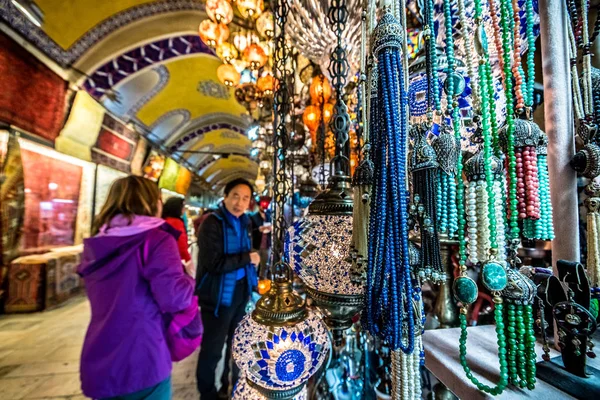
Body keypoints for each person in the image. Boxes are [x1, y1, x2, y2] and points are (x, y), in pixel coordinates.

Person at [78, 176, 196, 400]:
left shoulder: (97, 242)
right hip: (143, 357)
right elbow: (175, 298)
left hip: (100, 356)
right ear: (154, 203)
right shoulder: (157, 239)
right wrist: (189, 279)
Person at [195, 178, 260, 400]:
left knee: (237, 344)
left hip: (241, 292)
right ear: (225, 196)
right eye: (235, 196)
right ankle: (208, 393)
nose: (239, 202)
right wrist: (247, 258)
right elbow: (214, 264)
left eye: (245, 198)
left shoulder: (245, 222)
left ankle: (229, 385)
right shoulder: (211, 223)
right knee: (213, 349)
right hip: (218, 297)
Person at [162, 197, 192, 263]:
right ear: (177, 208)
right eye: (183, 206)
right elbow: (182, 247)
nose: (184, 209)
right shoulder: (177, 224)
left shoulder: (163, 221)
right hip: (174, 261)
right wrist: (188, 260)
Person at [249, 196, 272, 278]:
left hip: (267, 245)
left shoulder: (269, 216)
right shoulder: (253, 217)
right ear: (259, 206)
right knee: (255, 266)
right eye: (262, 206)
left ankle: (263, 283)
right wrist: (258, 229)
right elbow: (250, 230)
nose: (264, 207)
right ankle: (253, 282)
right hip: (256, 246)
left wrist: (271, 228)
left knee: (265, 266)